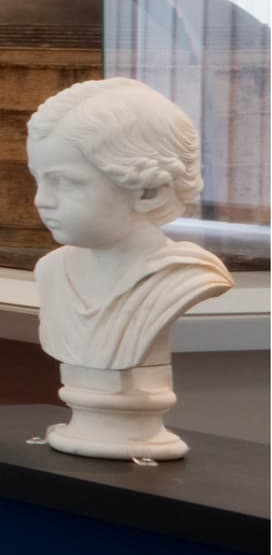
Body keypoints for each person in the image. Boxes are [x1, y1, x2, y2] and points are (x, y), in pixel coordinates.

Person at [28, 76, 231, 460]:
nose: (42, 201)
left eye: (65, 183)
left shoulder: (183, 276)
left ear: (147, 190)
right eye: (37, 180)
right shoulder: (52, 272)